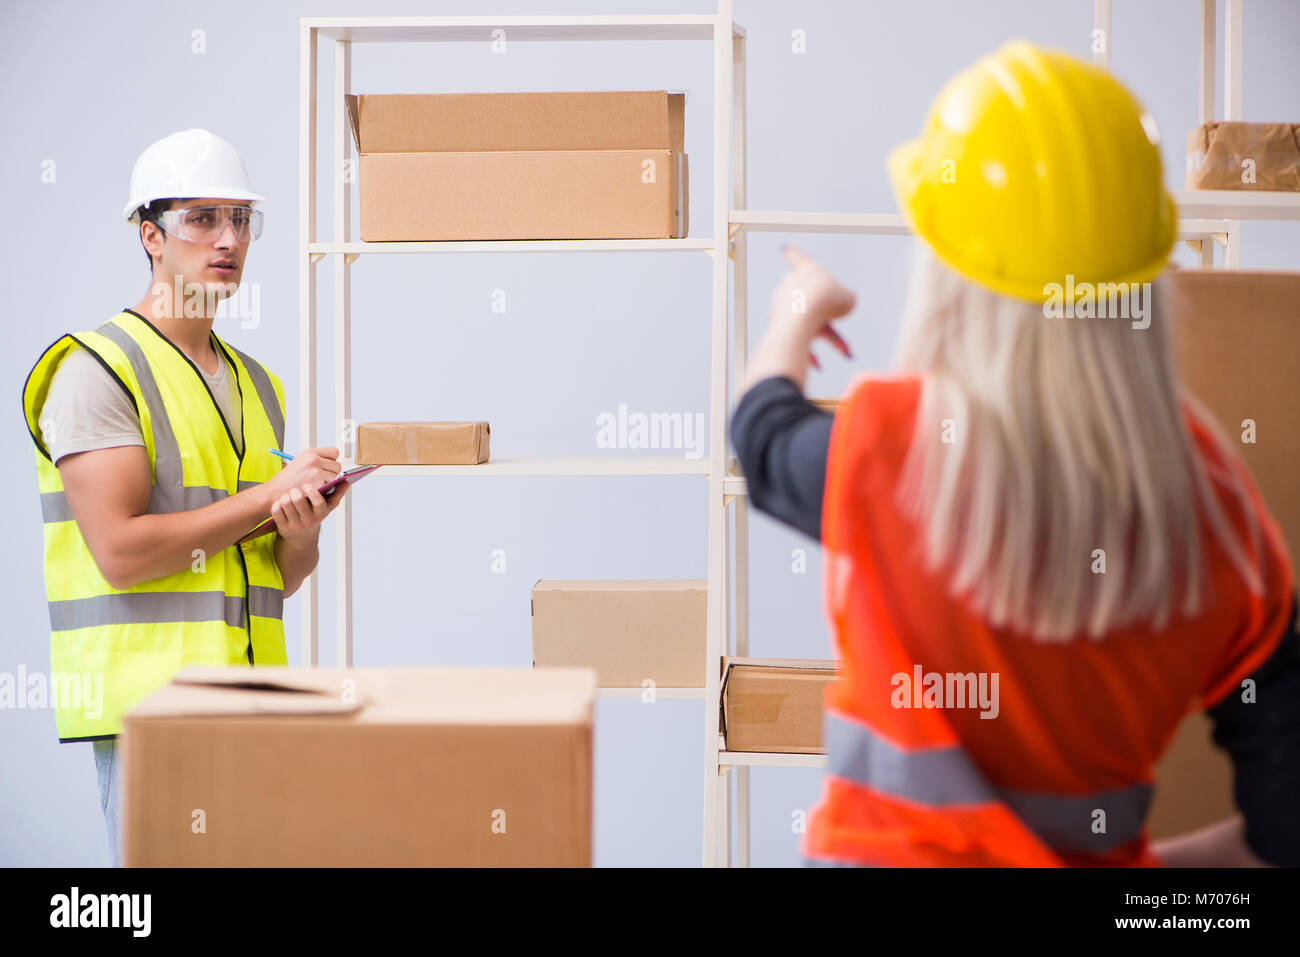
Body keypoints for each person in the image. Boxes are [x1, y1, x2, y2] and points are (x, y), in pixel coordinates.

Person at [730, 42, 1299, 867]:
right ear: (1147, 276)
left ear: (949, 276)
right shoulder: (1212, 506)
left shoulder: (899, 449)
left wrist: (796, 308)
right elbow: (1285, 825)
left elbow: (762, 434)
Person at [21, 128, 350, 866]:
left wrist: (298, 525)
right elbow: (122, 554)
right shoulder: (97, 370)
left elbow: (275, 575)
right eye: (202, 218)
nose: (227, 238)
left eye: (240, 220)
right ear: (151, 236)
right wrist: (267, 495)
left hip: (255, 703)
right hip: (155, 715)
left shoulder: (258, 383)